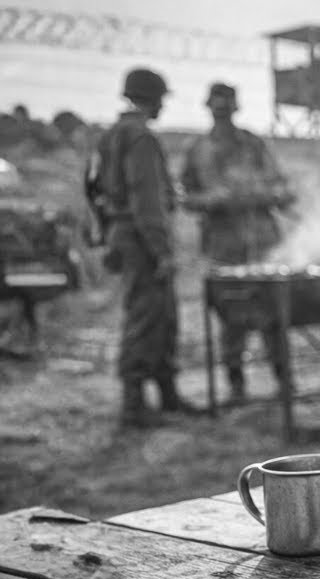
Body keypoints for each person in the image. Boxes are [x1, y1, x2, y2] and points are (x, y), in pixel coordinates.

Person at [88, 67, 199, 428]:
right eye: (162, 100)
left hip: (125, 235)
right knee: (146, 318)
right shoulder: (140, 138)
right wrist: (161, 251)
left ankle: (167, 395)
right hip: (141, 239)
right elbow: (146, 200)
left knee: (163, 315)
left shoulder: (109, 137)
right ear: (152, 99)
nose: (163, 107)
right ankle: (133, 407)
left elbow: (93, 191)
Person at [180, 82, 296, 404]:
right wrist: (211, 200)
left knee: (273, 316)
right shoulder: (197, 150)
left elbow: (281, 187)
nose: (222, 115)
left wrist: (267, 195)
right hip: (222, 245)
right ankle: (236, 386)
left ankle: (284, 382)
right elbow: (184, 198)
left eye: (227, 108)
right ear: (209, 109)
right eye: (217, 108)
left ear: (235, 109)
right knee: (231, 318)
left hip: (263, 243)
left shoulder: (253, 144)